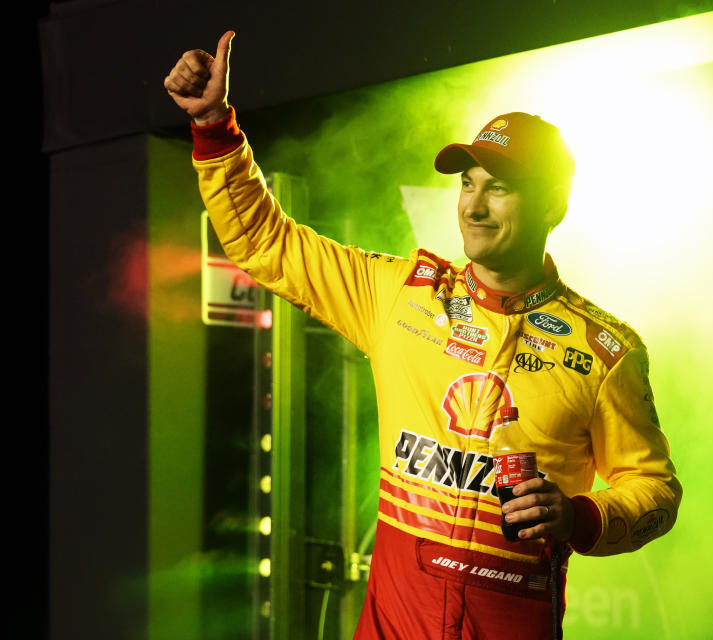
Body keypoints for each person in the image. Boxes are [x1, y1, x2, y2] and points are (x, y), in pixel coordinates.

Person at [165, 31, 681, 640]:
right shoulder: (402, 296)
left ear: (553, 207)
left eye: (501, 187)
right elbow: (266, 243)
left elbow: (655, 491)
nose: (474, 207)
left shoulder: (604, 351)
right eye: (468, 183)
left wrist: (579, 515)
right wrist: (213, 126)